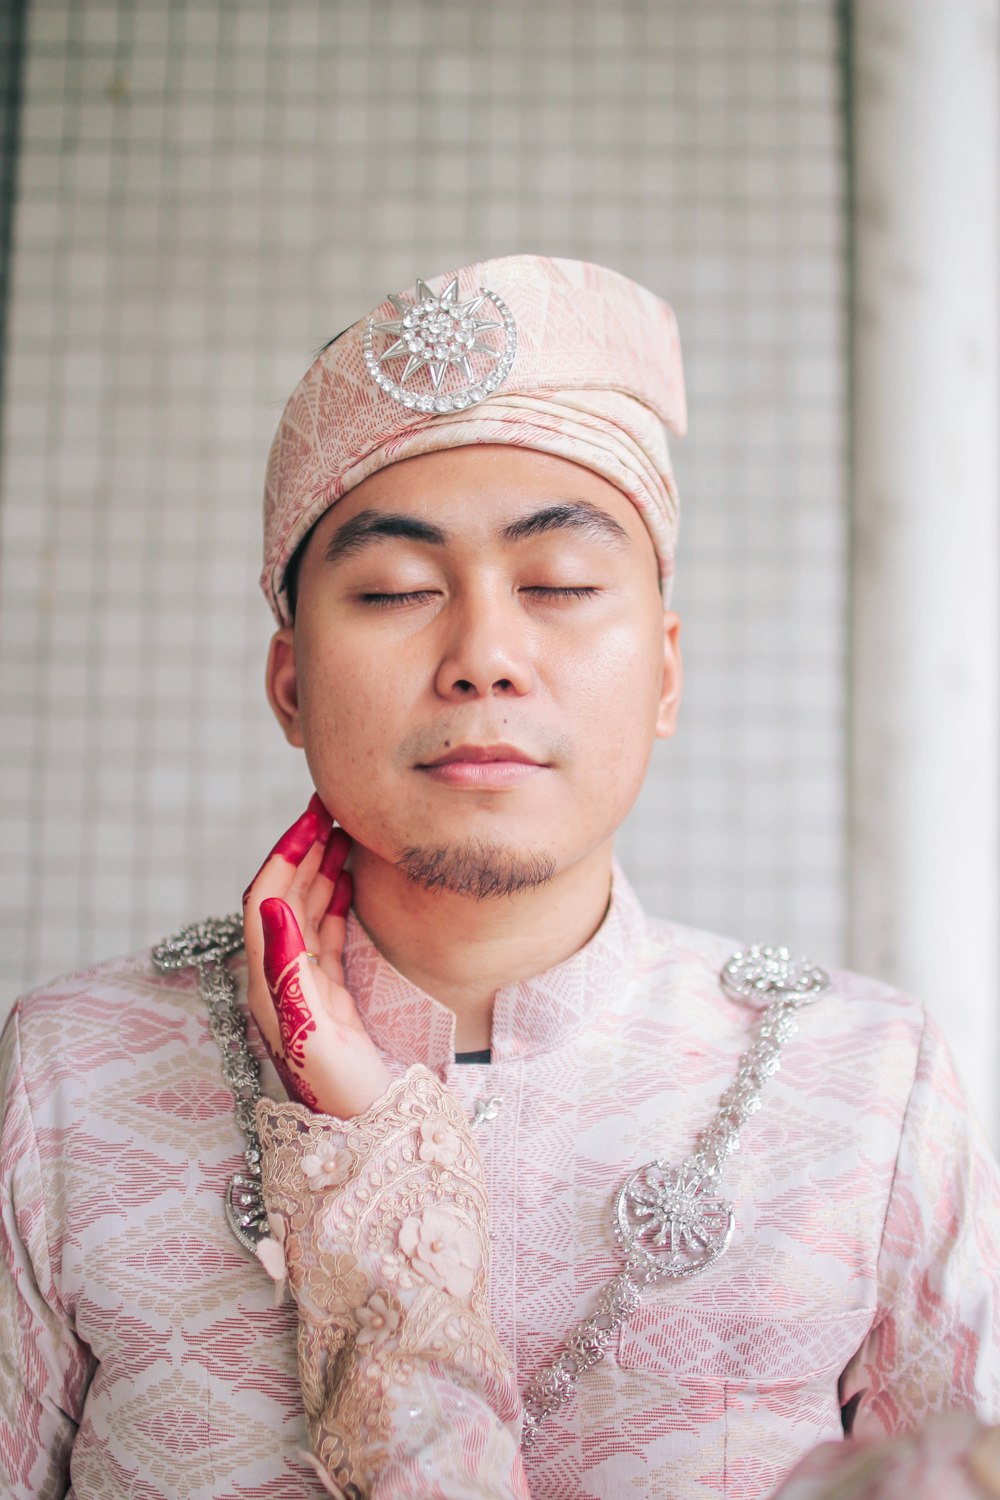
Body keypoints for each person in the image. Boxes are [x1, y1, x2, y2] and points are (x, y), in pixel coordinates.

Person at [2, 255, 999, 1500]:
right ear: (291, 684)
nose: (484, 655)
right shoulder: (69, 1079)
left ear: (668, 673)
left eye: (561, 586)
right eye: (395, 590)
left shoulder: (861, 1087)